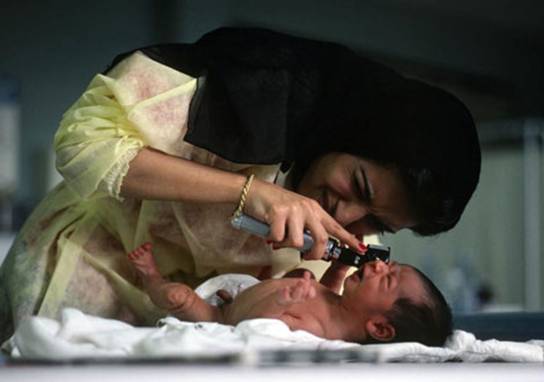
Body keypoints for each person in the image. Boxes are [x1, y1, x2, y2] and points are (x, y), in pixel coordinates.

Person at [0, 27, 480, 343]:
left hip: (193, 323)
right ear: (351, 133)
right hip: (97, 264)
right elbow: (83, 147)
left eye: (378, 221)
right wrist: (251, 193)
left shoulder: (346, 238)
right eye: (358, 185)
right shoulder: (251, 85)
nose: (350, 217)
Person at [128, 242, 452, 347]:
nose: (378, 267)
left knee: (178, 298)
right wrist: (338, 268)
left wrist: (283, 301)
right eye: (388, 265)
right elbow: (327, 292)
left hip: (221, 317)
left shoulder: (318, 334)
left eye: (387, 280)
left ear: (379, 328)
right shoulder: (338, 304)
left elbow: (260, 332)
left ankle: (151, 278)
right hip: (243, 292)